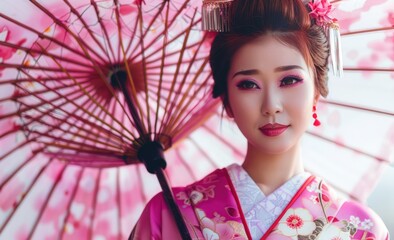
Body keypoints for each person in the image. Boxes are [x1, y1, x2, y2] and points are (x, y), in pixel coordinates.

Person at [132, 0, 389, 239]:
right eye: (248, 84)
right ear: (227, 101)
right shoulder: (168, 216)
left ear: (316, 92)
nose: (271, 106)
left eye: (289, 80)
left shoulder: (359, 229)